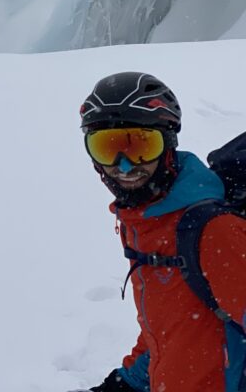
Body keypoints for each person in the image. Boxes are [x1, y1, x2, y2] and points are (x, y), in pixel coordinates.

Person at [81, 72, 246, 392]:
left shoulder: (214, 232)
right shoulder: (145, 223)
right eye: (107, 147)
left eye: (142, 145)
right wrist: (127, 384)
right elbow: (171, 328)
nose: (125, 166)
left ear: (168, 142)